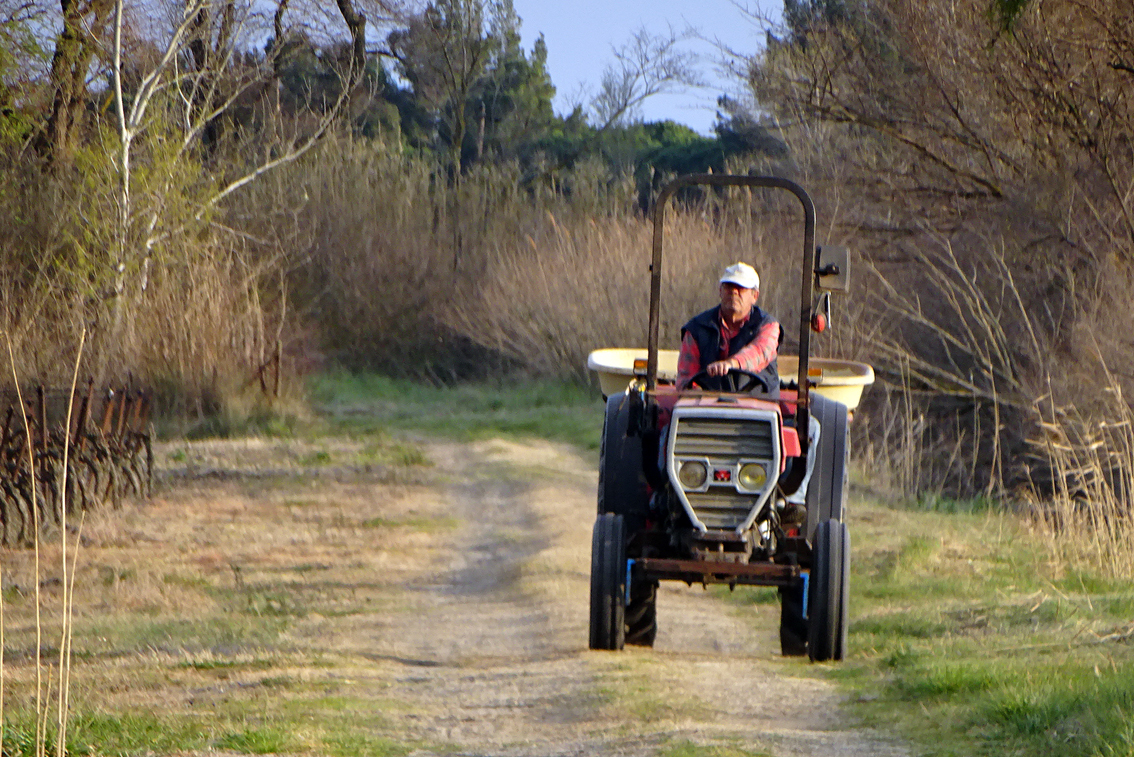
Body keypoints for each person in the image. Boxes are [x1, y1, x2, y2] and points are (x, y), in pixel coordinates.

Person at [676, 261, 781, 394]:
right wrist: (697, 395)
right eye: (728, 287)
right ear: (720, 291)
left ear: (755, 296)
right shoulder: (696, 329)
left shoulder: (768, 325)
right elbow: (686, 379)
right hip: (709, 404)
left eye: (741, 288)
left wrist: (731, 364)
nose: (734, 292)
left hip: (758, 403)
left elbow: (760, 351)